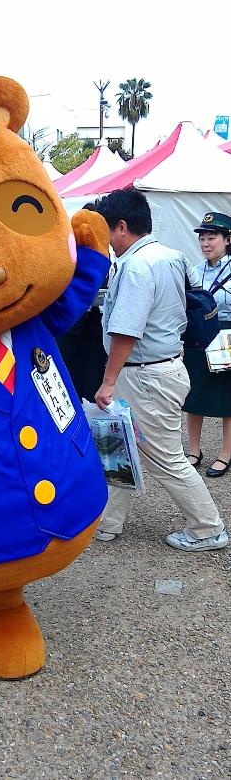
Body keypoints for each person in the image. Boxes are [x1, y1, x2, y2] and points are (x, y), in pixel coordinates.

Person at [93, 188, 228, 552]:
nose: (106, 239)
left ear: (121, 227)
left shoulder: (137, 266)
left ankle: (208, 527)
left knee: (165, 457)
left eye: (107, 229)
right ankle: (108, 521)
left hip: (145, 374)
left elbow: (126, 329)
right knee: (118, 445)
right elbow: (196, 304)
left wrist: (107, 382)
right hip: (160, 366)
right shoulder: (173, 256)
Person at [183, 212, 231, 478]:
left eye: (211, 237)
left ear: (228, 239)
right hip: (198, 336)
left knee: (226, 396)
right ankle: (194, 450)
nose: (205, 242)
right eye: (202, 237)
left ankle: (226, 453)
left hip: (226, 335)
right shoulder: (194, 270)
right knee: (193, 393)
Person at [57, 202, 107, 401]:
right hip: (70, 333)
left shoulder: (106, 256)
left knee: (92, 387)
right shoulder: (66, 256)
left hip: (95, 335)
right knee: (70, 387)